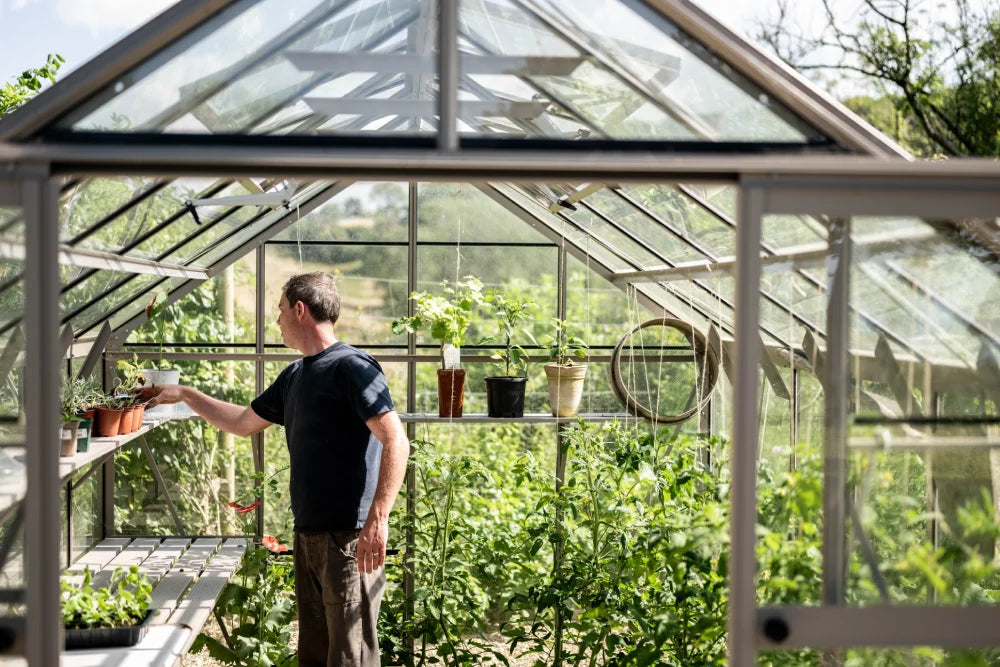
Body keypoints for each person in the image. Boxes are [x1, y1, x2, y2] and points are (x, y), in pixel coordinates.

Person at [140, 272, 408, 667]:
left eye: (280, 310)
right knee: (314, 654)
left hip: (348, 539)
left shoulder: (350, 367)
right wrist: (186, 395)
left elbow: (396, 440)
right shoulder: (297, 375)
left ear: (300, 310)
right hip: (309, 535)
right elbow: (243, 422)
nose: (276, 320)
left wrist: (378, 519)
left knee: (352, 655)